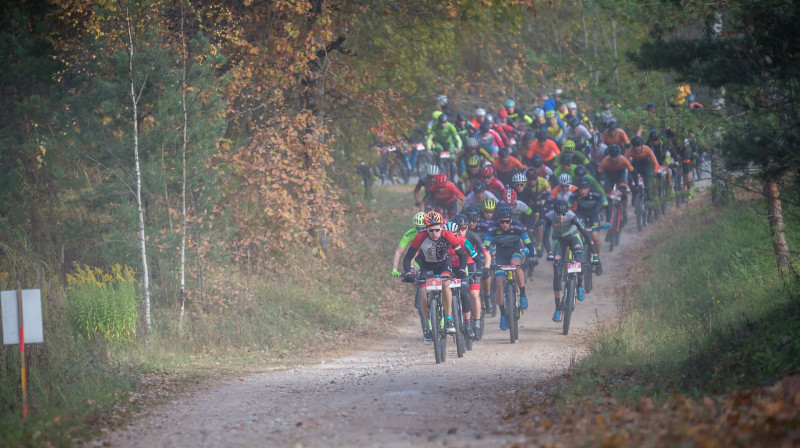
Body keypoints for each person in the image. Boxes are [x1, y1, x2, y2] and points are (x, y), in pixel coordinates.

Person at [403, 211, 468, 337]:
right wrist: (408, 273)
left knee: (445, 284)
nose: (434, 233)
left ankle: (448, 319)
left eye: (437, 230)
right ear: (426, 229)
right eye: (431, 230)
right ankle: (428, 324)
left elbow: (461, 255)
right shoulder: (420, 237)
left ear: (441, 227)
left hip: (443, 263)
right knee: (423, 293)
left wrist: (461, 269)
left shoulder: (448, 235)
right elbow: (407, 258)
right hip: (426, 265)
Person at [543, 200, 600, 322]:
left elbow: (586, 234)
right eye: (559, 215)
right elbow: (545, 238)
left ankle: (579, 285)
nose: (561, 217)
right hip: (558, 241)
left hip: (573, 238)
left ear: (567, 212)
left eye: (564, 214)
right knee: (557, 273)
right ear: (555, 212)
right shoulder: (549, 217)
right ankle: (558, 308)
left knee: (580, 262)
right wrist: (549, 254)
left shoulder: (572, 216)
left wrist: (595, 254)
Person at [482, 205, 537, 330]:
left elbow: (529, 243)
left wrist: (533, 256)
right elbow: (485, 246)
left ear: (511, 220)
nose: (505, 224)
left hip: (515, 250)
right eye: (502, 221)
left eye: (507, 221)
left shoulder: (517, 226)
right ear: (498, 220)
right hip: (501, 254)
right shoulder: (492, 228)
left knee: (515, 265)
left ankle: (522, 295)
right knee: (500, 283)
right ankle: (502, 315)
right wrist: (485, 257)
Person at [597, 144, 634, 225]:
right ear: (609, 156)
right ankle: (608, 218)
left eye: (616, 157)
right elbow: (599, 173)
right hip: (609, 175)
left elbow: (632, 170)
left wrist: (634, 182)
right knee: (608, 197)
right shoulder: (605, 161)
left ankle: (624, 212)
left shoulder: (624, 160)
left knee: (623, 193)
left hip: (621, 174)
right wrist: (601, 183)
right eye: (612, 157)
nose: (614, 159)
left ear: (619, 155)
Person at [569, 176, 608, 252]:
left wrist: (608, 220)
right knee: (578, 235)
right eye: (581, 189)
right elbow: (567, 208)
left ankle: (596, 260)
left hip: (594, 215)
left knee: (595, 238)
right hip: (581, 214)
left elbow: (607, 206)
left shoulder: (596, 193)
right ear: (578, 188)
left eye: (585, 188)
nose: (583, 191)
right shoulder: (575, 194)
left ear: (589, 188)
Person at [517, 167, 551, 254]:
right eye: (530, 179)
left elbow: (549, 193)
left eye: (534, 179)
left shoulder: (543, 181)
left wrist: (543, 201)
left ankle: (539, 245)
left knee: (539, 223)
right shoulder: (525, 185)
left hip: (539, 204)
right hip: (527, 207)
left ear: (537, 178)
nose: (532, 181)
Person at [626, 135, 660, 210]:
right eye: (635, 146)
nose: (636, 148)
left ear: (641, 145)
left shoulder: (647, 149)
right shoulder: (629, 151)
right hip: (635, 166)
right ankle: (635, 193)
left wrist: (654, 172)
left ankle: (651, 207)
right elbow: (625, 162)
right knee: (629, 179)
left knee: (648, 188)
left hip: (646, 166)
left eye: (638, 146)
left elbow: (656, 163)